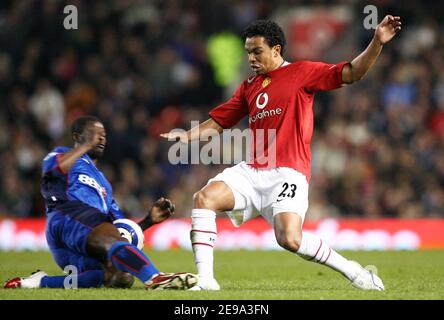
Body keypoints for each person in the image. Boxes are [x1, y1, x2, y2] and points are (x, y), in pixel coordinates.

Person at [161, 17, 401, 291]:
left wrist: (376, 42)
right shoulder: (250, 86)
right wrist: (186, 135)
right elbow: (220, 122)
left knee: (289, 239)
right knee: (203, 198)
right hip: (252, 171)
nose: (251, 57)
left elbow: (353, 72)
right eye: (248, 52)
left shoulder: (303, 72)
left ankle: (352, 270)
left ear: (276, 50)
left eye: (257, 51)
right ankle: (206, 280)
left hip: (288, 171)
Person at [4, 116, 197, 290]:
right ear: (77, 136)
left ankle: (40, 282)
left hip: (80, 242)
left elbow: (118, 230)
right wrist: (84, 146)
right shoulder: (61, 155)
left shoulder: (104, 184)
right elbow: (53, 170)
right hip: (66, 217)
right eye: (94, 133)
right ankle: (155, 278)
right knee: (113, 247)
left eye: (103, 134)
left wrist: (148, 221)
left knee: (117, 278)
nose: (101, 138)